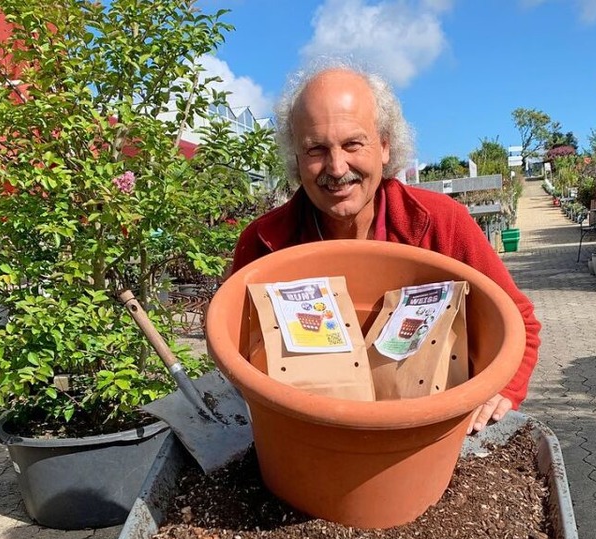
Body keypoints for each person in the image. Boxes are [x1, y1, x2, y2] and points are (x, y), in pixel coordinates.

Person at [231, 65, 540, 432]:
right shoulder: (263, 243)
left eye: (352, 144)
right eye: (315, 148)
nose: (336, 166)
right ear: (296, 158)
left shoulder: (441, 223)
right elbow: (235, 350)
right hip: (310, 440)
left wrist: (502, 390)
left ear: (385, 146)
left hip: (428, 437)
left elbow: (517, 319)